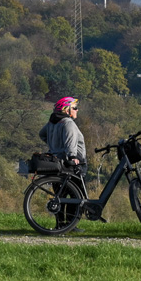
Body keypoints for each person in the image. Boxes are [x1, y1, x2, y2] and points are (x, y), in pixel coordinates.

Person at [39, 96, 87, 230]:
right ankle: (71, 225)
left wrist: (53, 146)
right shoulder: (68, 122)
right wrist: (72, 157)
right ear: (67, 109)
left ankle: (60, 224)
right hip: (72, 162)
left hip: (56, 162)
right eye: (75, 108)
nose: (77, 110)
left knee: (60, 195)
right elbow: (71, 142)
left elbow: (42, 134)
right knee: (75, 194)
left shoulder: (52, 123)